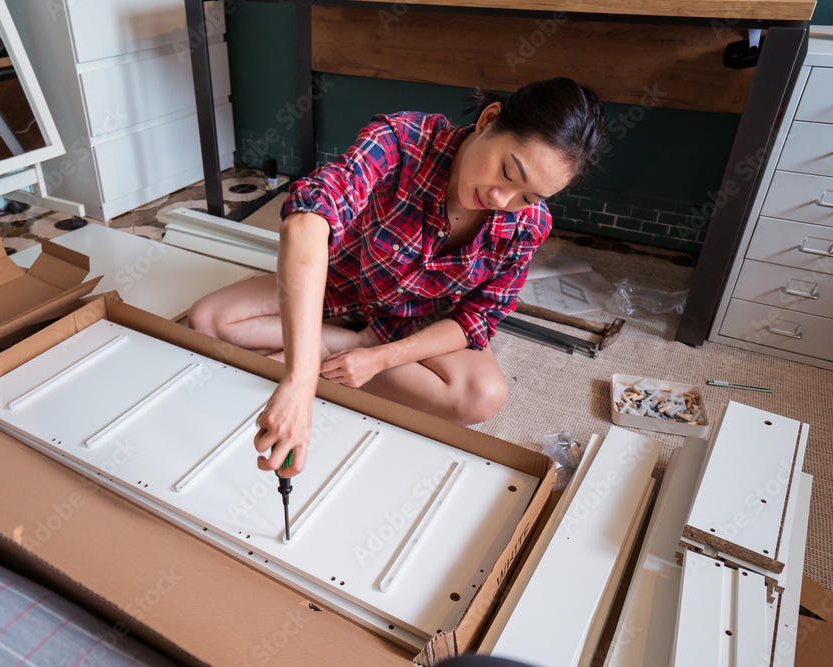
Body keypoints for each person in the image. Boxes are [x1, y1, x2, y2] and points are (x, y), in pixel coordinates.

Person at [188, 77, 606, 478]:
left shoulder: (528, 223)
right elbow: (307, 220)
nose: (501, 198)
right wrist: (299, 381)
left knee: (483, 395)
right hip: (340, 287)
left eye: (527, 196)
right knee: (208, 321)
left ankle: (344, 349)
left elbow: (476, 319)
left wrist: (377, 357)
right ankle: (329, 352)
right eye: (506, 171)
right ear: (489, 119)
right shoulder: (400, 138)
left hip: (413, 322)